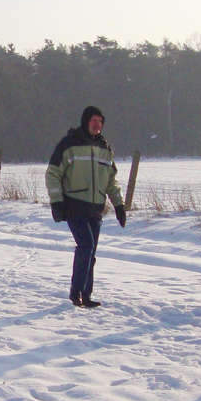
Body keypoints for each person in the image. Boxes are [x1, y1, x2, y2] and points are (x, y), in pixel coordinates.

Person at [45, 106, 127, 308]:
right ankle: (76, 294)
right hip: (74, 206)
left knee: (91, 252)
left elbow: (110, 181)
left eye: (100, 121)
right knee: (86, 247)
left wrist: (119, 205)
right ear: (85, 121)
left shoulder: (105, 149)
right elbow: (53, 174)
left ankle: (86, 295)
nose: (97, 125)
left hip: (95, 209)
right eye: (94, 120)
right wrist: (57, 202)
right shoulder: (68, 145)